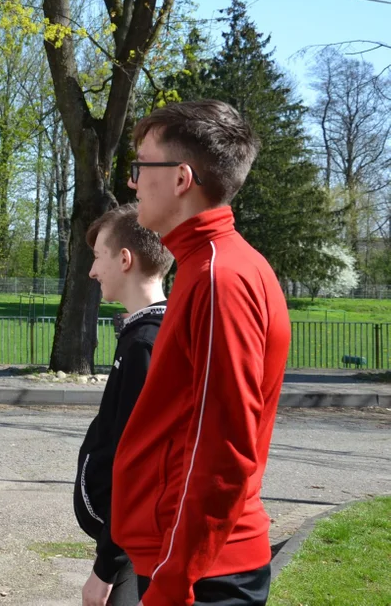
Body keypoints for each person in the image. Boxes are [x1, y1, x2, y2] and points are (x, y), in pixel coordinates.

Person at [111, 100, 291, 606]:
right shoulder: (208, 264)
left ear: (181, 178)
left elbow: (223, 450)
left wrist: (173, 580)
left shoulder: (219, 277)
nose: (133, 181)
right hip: (195, 564)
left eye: (141, 166)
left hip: (200, 574)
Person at [74, 203, 172, 606]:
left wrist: (106, 567)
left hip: (134, 549)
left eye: (98, 257)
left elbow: (140, 469)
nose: (93, 271)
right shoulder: (145, 335)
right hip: (131, 544)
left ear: (125, 260)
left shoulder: (145, 345)